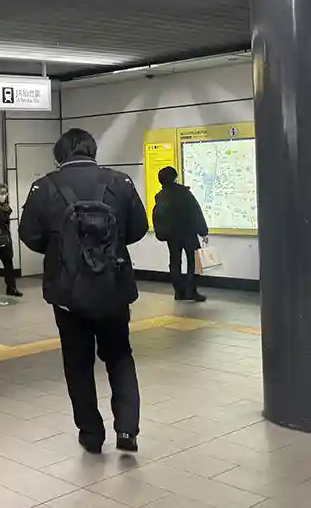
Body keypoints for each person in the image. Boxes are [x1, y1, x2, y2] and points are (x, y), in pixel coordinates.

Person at [19, 128, 148, 454]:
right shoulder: (121, 182)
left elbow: (29, 235)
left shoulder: (44, 186)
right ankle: (127, 429)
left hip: (67, 292)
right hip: (114, 287)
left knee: (77, 362)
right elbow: (138, 228)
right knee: (119, 355)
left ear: (59, 155)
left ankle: (91, 434)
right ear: (93, 150)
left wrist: (62, 249)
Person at [152, 166, 209, 303]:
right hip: (188, 233)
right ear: (175, 178)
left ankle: (179, 292)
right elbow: (195, 212)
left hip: (171, 235)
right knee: (194, 262)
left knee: (175, 262)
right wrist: (203, 232)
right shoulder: (184, 193)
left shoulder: (160, 196)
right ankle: (191, 291)